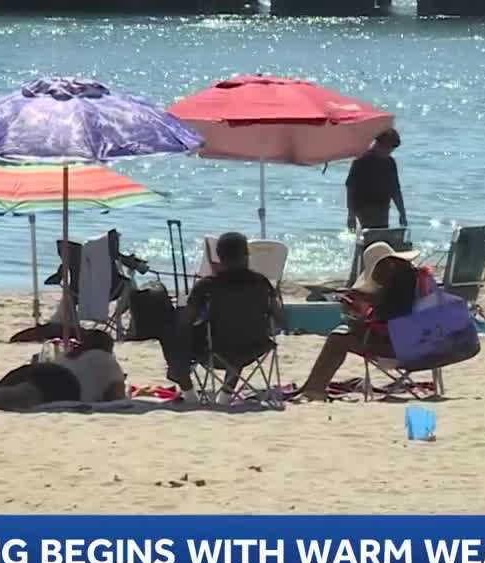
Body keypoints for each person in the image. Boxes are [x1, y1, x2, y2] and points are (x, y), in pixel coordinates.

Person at [159, 232, 280, 405]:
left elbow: (186, 321)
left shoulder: (208, 285)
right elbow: (280, 318)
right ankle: (225, 396)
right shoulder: (261, 283)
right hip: (255, 347)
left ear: (219, 257)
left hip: (215, 350)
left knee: (173, 331)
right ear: (246, 255)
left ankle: (187, 389)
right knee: (239, 330)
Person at [297, 244, 421, 402]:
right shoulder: (412, 280)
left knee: (336, 339)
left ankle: (314, 390)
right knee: (341, 332)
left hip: (396, 350)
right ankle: (312, 387)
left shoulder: (393, 291)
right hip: (422, 345)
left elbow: (383, 327)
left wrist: (355, 320)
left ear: (384, 266)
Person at [346, 128, 407, 231]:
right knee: (370, 235)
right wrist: (351, 214)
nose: (389, 152)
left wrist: (402, 213)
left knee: (381, 235)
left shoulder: (390, 162)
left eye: (392, 150)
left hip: (383, 206)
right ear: (378, 144)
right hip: (364, 206)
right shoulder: (361, 161)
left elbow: (395, 190)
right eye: (388, 149)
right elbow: (350, 187)